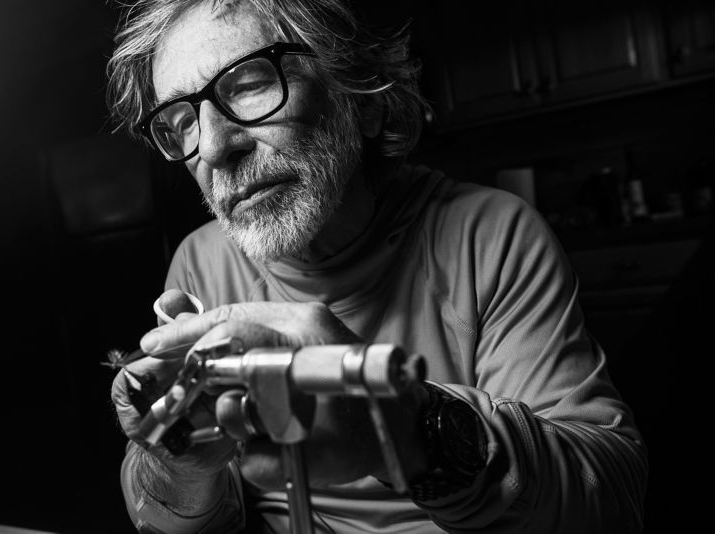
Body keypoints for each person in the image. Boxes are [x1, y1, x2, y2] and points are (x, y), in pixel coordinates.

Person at [106, 0, 648, 532]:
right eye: (181, 121)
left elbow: (611, 500)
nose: (216, 148)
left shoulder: (492, 234)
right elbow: (170, 521)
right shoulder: (199, 264)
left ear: (360, 98)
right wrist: (179, 458)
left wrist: (409, 429)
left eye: (250, 84)